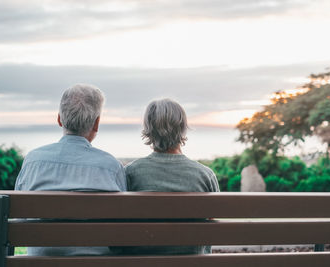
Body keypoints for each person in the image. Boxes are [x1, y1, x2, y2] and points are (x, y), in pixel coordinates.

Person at [15, 84, 126, 256]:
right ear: (96, 124)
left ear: (59, 119)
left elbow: (19, 221)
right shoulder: (112, 167)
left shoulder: (32, 161)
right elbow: (121, 227)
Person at [121, 98, 220, 255]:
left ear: (148, 129)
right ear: (182, 128)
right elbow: (214, 227)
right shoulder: (205, 175)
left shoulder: (131, 173)